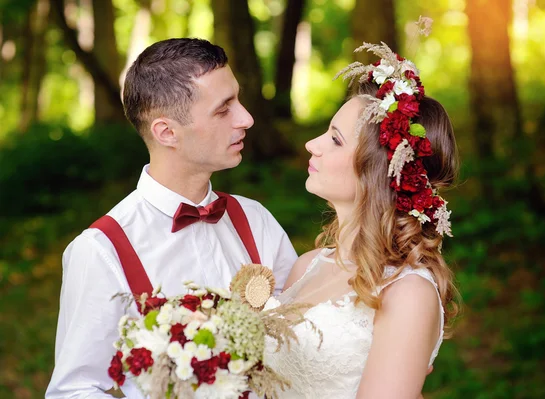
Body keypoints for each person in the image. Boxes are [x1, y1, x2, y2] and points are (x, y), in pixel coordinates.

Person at [46, 38, 297, 399]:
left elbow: (299, 332)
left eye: (237, 100)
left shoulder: (255, 220)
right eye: (224, 109)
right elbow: (74, 391)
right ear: (167, 132)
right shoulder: (102, 250)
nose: (247, 119)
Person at [264, 42, 460, 398]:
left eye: (335, 140)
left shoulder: (408, 292)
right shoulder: (306, 266)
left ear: (377, 172)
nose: (312, 144)